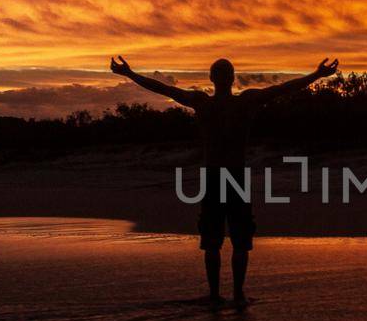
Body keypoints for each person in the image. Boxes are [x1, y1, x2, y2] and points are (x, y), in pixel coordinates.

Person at [111, 54, 338, 306]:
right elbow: (283, 89)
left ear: (211, 79)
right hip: (236, 177)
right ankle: (239, 294)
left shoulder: (202, 103)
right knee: (240, 240)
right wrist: (316, 75)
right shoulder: (247, 102)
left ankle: (215, 294)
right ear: (232, 79)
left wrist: (130, 74)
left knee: (212, 241)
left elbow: (164, 88)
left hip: (213, 178)